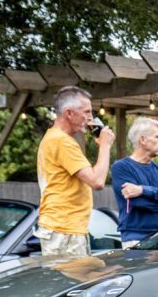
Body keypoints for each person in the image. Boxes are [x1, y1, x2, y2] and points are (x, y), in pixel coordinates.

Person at [35, 85, 115, 257]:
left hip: (63, 227)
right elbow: (97, 181)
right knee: (71, 283)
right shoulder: (62, 142)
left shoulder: (53, 138)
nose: (90, 118)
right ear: (69, 113)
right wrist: (105, 146)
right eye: (86, 112)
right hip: (64, 229)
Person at [110, 117, 158, 247]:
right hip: (136, 237)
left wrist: (142, 190)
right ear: (143, 140)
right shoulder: (121, 167)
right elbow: (138, 202)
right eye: (157, 137)